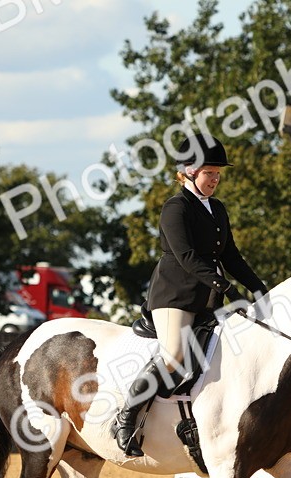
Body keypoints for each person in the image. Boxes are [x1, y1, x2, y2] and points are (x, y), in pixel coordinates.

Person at [114, 134, 269, 457]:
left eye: (217, 174)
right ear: (189, 172)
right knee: (173, 355)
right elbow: (187, 257)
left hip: (206, 298)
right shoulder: (176, 208)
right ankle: (126, 418)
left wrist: (258, 287)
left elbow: (231, 256)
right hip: (175, 296)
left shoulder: (217, 209)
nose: (215, 179)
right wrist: (225, 286)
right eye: (209, 173)